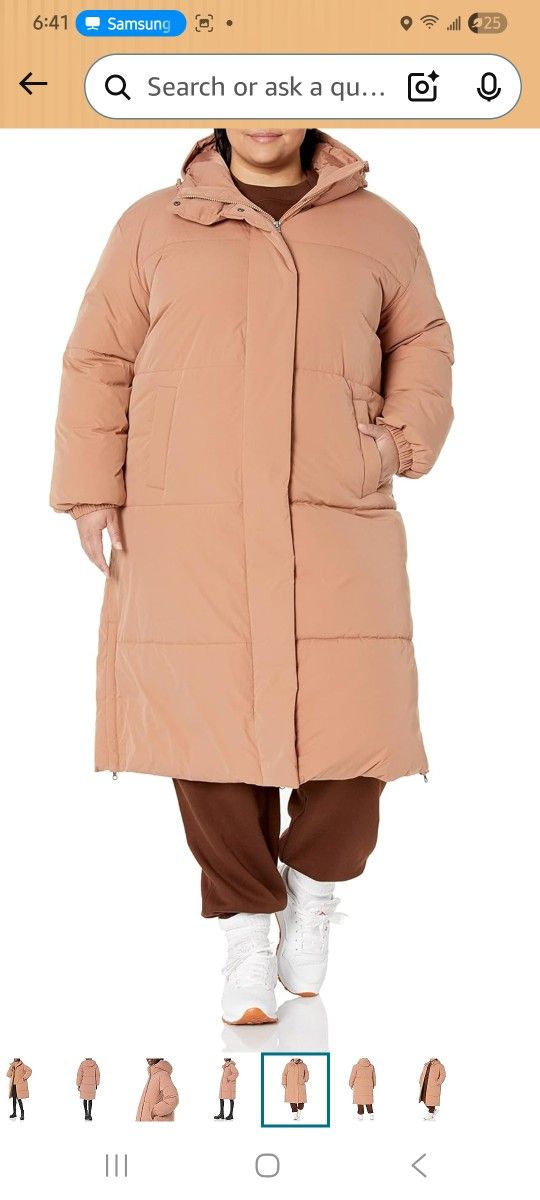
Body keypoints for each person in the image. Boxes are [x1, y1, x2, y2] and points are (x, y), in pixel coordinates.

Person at [50, 127, 453, 1026]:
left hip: (333, 508)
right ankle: (243, 931)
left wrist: (395, 440)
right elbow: (100, 357)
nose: (264, 112)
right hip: (187, 511)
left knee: (358, 725)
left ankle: (313, 890)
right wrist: (91, 488)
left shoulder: (382, 227)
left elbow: (423, 339)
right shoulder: (151, 224)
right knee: (206, 725)